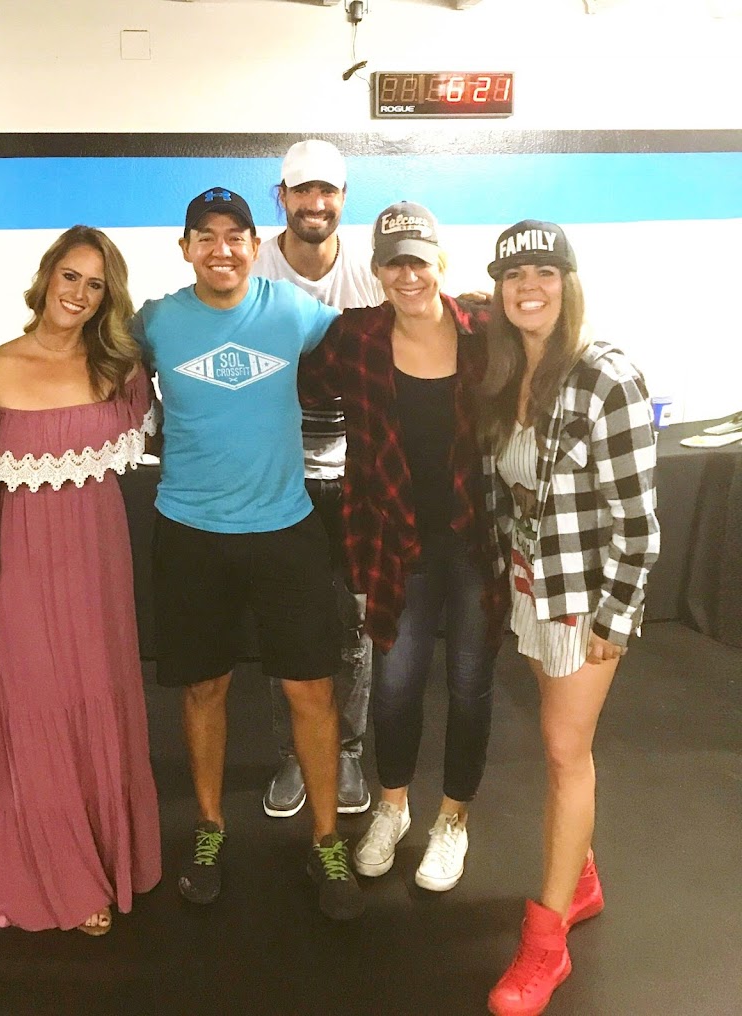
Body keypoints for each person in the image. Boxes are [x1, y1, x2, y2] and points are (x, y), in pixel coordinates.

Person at [132, 187, 365, 921]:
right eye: (206, 236)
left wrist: (467, 313)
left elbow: (375, 339)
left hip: (285, 527)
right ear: (185, 249)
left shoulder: (294, 311)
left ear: (255, 246)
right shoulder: (157, 321)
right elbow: (84, 354)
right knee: (204, 689)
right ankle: (209, 828)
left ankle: (326, 839)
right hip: (190, 530)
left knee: (312, 692)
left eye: (235, 235)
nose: (222, 249)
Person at [299, 201, 508, 894]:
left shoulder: (484, 332)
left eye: (418, 260)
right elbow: (293, 383)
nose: (407, 275)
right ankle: (392, 807)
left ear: (439, 262)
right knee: (394, 688)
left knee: (470, 686)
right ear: (377, 270)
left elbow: (551, 355)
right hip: (395, 544)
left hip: (476, 539)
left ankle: (453, 819)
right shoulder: (354, 337)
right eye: (394, 264)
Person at [478, 221, 659, 1015]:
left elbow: (640, 523)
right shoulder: (505, 371)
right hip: (532, 587)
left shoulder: (606, 378)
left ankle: (546, 944)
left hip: (585, 598)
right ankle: (578, 877)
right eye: (514, 275)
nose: (529, 287)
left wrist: (616, 617)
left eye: (545, 272)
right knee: (558, 744)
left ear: (569, 283)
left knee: (563, 752)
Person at [0, 226, 161, 937]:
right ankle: (59, 875)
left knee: (99, 692)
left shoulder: (121, 371)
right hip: (13, 565)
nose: (78, 293)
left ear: (108, 297)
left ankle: (110, 858)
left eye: (95, 284)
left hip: (97, 557)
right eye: (70, 275)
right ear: (46, 275)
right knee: (32, 705)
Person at [252, 139, 381, 819]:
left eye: (327, 190)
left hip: (359, 480)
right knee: (287, 622)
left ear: (342, 198)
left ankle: (348, 751)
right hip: (277, 477)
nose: (315, 203)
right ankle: (293, 753)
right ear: (282, 197)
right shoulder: (254, 266)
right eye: (302, 190)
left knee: (356, 624)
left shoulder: (371, 272)